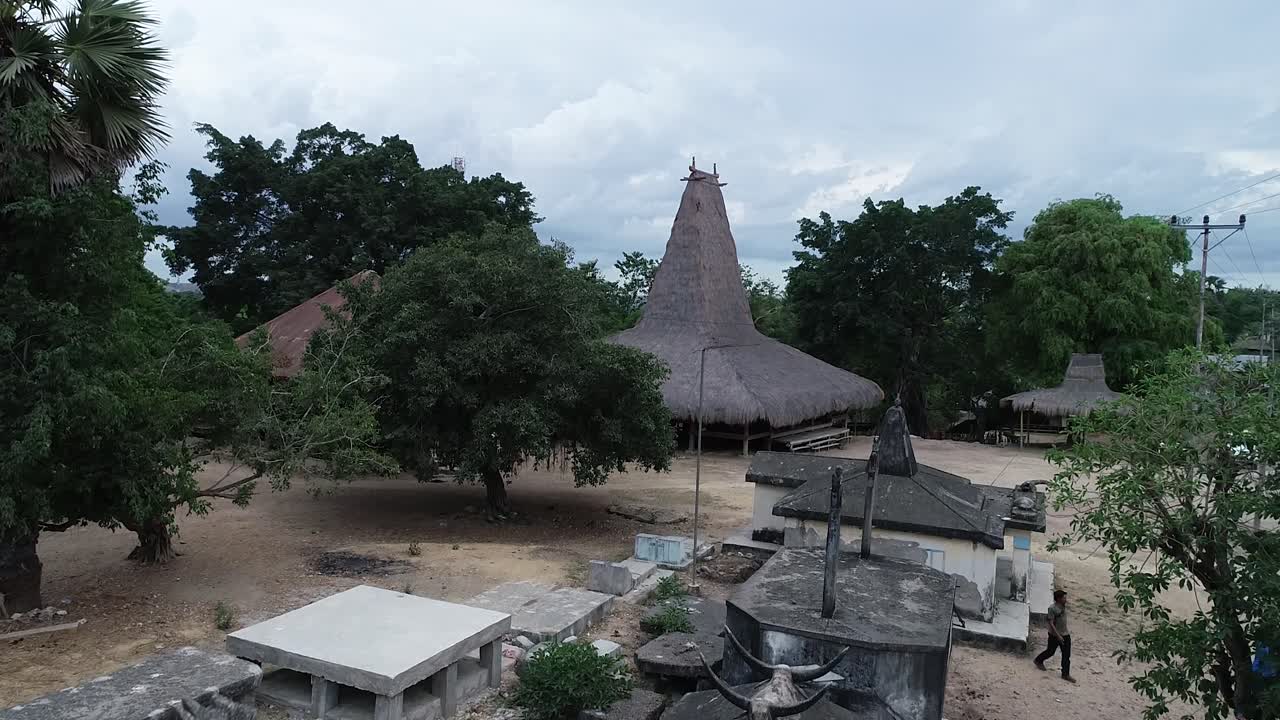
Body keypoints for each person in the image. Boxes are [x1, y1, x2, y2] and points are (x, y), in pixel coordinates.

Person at [1034, 589, 1076, 683]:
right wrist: (1058, 636)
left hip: (1065, 634)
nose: (1066, 599)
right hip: (1055, 635)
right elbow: (1051, 623)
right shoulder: (1052, 609)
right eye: (1064, 597)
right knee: (1050, 651)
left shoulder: (1063, 606)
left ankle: (1065, 674)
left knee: (1066, 655)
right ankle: (1038, 660)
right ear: (1058, 599)